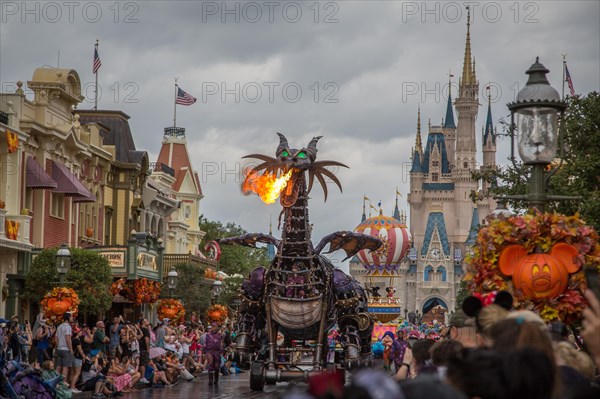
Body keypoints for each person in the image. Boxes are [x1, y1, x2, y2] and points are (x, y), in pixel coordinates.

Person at [54, 312, 74, 380]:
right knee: (65, 368)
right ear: (68, 318)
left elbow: (56, 339)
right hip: (66, 349)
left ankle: (55, 382)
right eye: (71, 317)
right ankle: (63, 384)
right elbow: (68, 339)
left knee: (58, 367)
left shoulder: (59, 326)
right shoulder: (68, 327)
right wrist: (71, 350)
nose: (72, 318)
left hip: (59, 348)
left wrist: (57, 348)